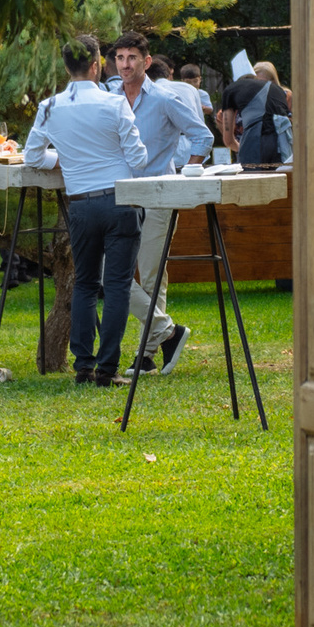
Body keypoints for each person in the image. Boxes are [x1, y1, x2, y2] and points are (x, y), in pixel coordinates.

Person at [26, 35, 151, 385]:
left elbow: (33, 156)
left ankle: (83, 366)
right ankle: (107, 369)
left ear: (66, 67)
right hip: (119, 200)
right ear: (97, 65)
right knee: (117, 285)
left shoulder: (50, 107)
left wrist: (67, 160)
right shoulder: (114, 104)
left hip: (80, 203)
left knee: (84, 284)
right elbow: (138, 158)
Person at [111, 32, 206, 372]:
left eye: (132, 57)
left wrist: (184, 176)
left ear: (146, 62)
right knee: (114, 273)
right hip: (119, 195)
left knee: (151, 277)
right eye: (120, 57)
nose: (125, 64)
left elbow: (203, 136)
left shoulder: (164, 99)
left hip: (158, 195)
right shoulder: (110, 97)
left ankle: (146, 356)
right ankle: (168, 332)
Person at [221, 60, 289, 166]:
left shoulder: (231, 90)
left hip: (255, 141)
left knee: (253, 180)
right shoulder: (279, 90)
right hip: (284, 143)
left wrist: (242, 148)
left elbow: (228, 140)